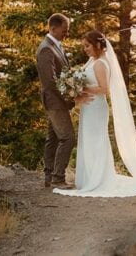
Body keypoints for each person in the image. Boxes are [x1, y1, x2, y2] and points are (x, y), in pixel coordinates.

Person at [55, 30, 136, 197]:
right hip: (89, 107)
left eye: (87, 46)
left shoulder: (101, 64)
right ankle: (89, 178)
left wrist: (80, 88)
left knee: (96, 142)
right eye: (84, 46)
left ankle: (98, 180)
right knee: (88, 142)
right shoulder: (93, 60)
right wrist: (74, 88)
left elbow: (104, 89)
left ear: (98, 45)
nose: (85, 49)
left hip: (97, 108)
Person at [36, 13, 75, 189]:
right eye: (64, 30)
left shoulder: (55, 46)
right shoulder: (46, 49)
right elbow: (50, 82)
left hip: (56, 101)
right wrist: (67, 98)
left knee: (52, 138)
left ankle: (49, 177)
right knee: (67, 138)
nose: (67, 33)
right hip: (54, 101)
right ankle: (58, 178)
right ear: (53, 28)